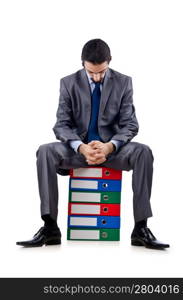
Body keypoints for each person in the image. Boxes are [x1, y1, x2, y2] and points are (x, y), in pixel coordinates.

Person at [16, 39, 169, 249]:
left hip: (112, 152)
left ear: (110, 62)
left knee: (144, 152)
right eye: (91, 73)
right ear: (82, 64)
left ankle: (140, 228)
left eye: (102, 72)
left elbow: (130, 124)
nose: (97, 77)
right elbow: (61, 125)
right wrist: (80, 146)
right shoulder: (68, 83)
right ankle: (50, 226)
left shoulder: (124, 82)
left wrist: (110, 146)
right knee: (45, 151)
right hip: (79, 151)